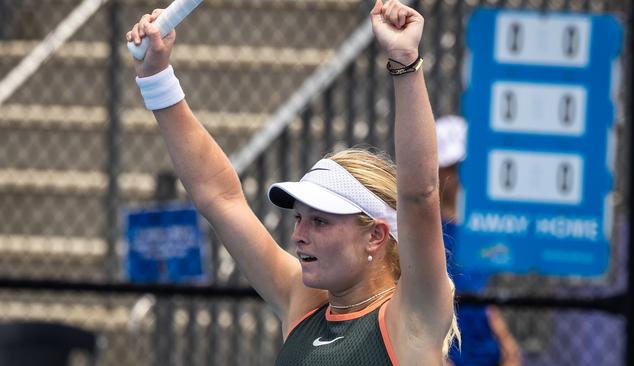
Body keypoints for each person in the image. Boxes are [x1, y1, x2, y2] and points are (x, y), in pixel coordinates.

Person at [126, 0, 459, 364]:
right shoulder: (304, 305)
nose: (298, 235)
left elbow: (419, 195)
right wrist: (157, 77)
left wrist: (404, 61)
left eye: (320, 221)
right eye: (299, 218)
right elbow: (220, 198)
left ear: (376, 235)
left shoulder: (410, 320)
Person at [436, 115, 521, 366]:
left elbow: (482, 297)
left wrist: (507, 344)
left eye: (464, 165)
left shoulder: (480, 230)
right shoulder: (423, 234)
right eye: (452, 167)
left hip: (486, 353)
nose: (459, 175)